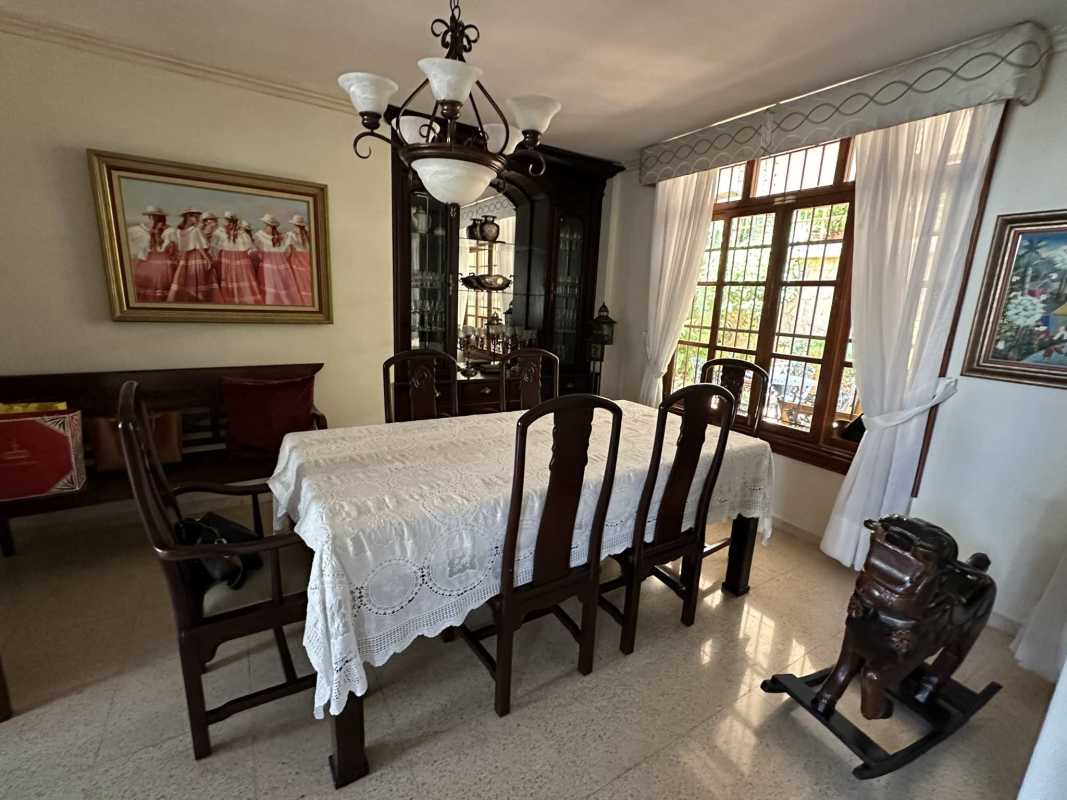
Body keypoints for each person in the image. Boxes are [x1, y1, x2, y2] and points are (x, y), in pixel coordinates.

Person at [166, 208, 222, 302]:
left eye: (198, 217)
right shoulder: (195, 230)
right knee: (201, 280)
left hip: (185, 258)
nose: (198, 219)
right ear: (189, 217)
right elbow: (200, 247)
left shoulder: (179, 231)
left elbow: (178, 247)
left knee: (186, 280)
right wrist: (208, 260)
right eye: (196, 217)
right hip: (197, 257)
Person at [127, 205, 173, 302]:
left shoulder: (166, 230)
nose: (153, 218)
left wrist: (157, 235)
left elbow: (163, 247)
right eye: (151, 216)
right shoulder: (138, 229)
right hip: (147, 261)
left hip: (161, 262)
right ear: (149, 217)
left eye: (156, 216)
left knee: (159, 284)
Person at [216, 212, 264, 304]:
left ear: (233, 222)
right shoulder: (221, 232)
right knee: (229, 278)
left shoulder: (242, 234)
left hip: (239, 258)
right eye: (226, 221)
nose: (227, 224)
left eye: (229, 222)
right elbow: (216, 246)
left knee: (241, 278)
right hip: (227, 258)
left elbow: (247, 246)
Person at [254, 213, 302, 305]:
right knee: (281, 287)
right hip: (281, 264)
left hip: (267, 265)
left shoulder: (259, 235)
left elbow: (258, 251)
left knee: (270, 287)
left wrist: (263, 257)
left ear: (266, 224)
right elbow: (287, 252)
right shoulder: (282, 236)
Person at [285, 214, 314, 305]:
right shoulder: (308, 233)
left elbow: (288, 250)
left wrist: (286, 260)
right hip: (307, 258)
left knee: (299, 282)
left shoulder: (291, 234)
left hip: (297, 259)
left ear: (294, 224)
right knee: (308, 280)